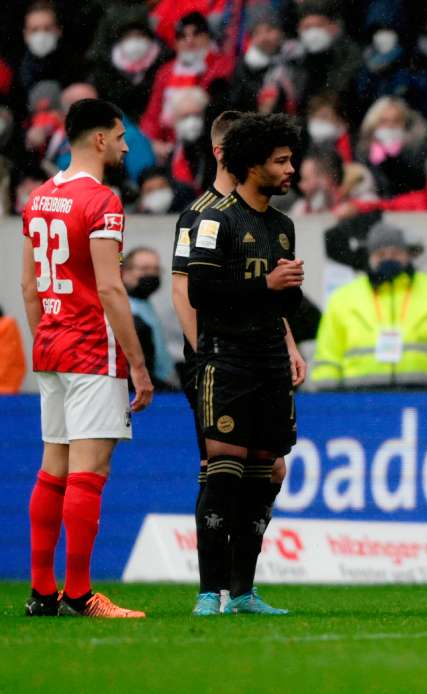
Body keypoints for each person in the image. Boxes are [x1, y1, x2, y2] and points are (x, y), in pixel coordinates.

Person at [21, 98, 152, 618]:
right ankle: (77, 594)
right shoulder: (101, 202)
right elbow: (111, 289)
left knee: (52, 466)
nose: (125, 145)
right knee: (88, 471)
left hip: (51, 345)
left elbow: (29, 287)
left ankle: (40, 591)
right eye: (120, 135)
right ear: (98, 139)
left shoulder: (38, 198)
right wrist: (138, 366)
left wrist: (45, 339)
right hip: (91, 349)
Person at [187, 113, 307, 616]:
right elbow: (201, 291)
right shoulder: (216, 219)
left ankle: (242, 592)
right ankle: (208, 592)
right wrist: (267, 286)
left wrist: (289, 292)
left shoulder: (283, 227)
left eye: (290, 159)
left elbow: (282, 306)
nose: (291, 169)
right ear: (252, 165)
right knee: (224, 472)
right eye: (280, 161)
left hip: (270, 365)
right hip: (227, 360)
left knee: (266, 475)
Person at [311, 222, 427, 390]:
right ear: (370, 257)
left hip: (423, 396)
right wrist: (327, 395)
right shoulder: (343, 298)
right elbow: (329, 349)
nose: (388, 258)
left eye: (395, 253)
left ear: (407, 255)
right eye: (380, 254)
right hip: (359, 400)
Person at [139, 12, 234, 155]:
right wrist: (152, 143)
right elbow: (152, 116)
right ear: (176, 43)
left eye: (196, 34)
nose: (189, 40)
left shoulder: (223, 66)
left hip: (207, 145)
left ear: (208, 37)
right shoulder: (166, 72)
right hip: (168, 146)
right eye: (182, 36)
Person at [121, 247, 172, 387]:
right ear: (125, 272)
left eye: (155, 269)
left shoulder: (145, 304)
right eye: (144, 269)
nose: (151, 274)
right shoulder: (123, 310)